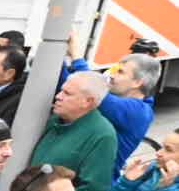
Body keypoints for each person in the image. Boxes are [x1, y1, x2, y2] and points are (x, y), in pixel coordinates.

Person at [64, 32, 158, 172]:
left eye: (120, 72)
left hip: (93, 185)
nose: (112, 76)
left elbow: (92, 89)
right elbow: (72, 83)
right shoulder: (127, 99)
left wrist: (76, 55)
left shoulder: (139, 112)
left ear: (138, 82)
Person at [30, 71, 118, 191]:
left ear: (88, 101)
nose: (58, 96)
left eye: (67, 93)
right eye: (61, 91)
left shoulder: (102, 135)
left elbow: (93, 189)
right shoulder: (55, 120)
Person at [108, 131, 179, 191]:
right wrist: (127, 182)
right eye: (162, 147)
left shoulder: (166, 182)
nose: (158, 153)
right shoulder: (151, 171)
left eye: (168, 149)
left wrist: (167, 189)